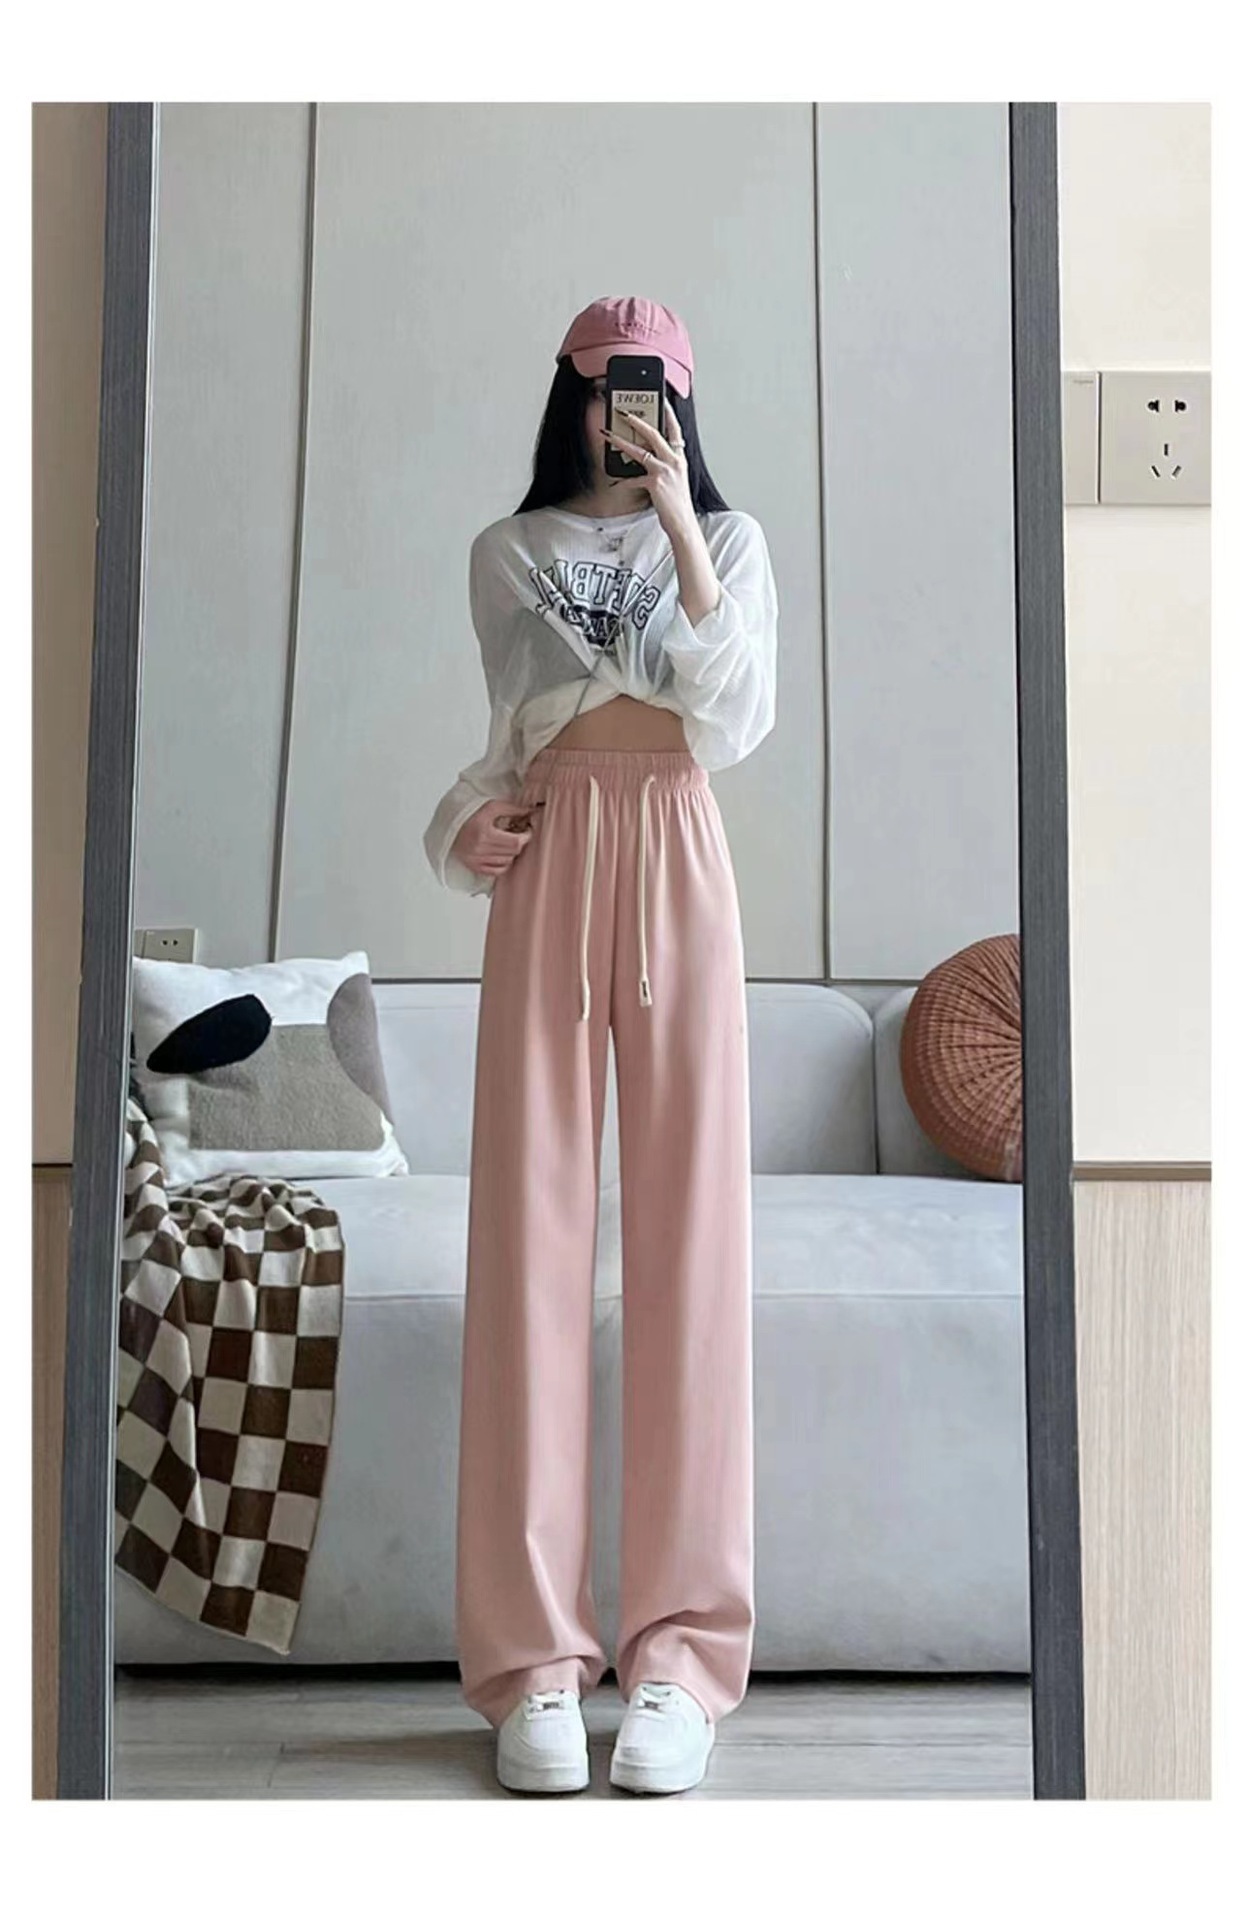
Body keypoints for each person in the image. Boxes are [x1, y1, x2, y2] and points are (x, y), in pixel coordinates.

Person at [423, 295, 778, 1795]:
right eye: (608, 389)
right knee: (529, 1247)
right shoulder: (505, 552)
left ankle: (681, 1661)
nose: (629, 415)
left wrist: (681, 523)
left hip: (679, 852)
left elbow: (734, 711)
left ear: (683, 403)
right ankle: (535, 1666)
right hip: (557, 854)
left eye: (656, 394)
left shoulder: (734, 541)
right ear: (566, 395)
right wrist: (456, 830)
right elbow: (515, 736)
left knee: (695, 1247)